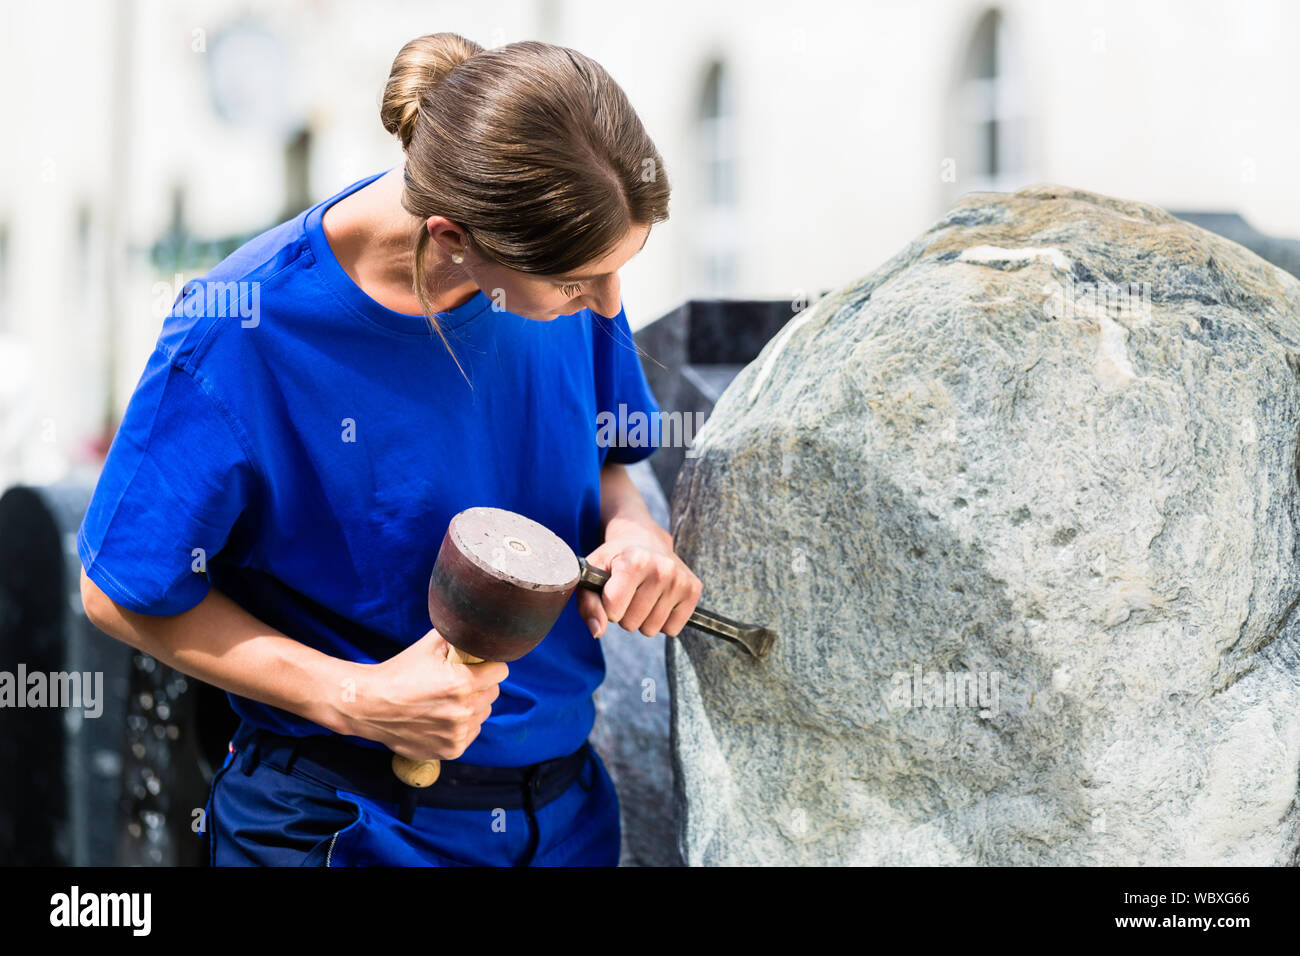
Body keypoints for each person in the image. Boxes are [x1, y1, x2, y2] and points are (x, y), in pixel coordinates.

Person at [77, 33, 702, 867]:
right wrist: (355, 697)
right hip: (343, 826)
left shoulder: (552, 277)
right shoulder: (239, 332)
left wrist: (636, 533)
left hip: (569, 818)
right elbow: (116, 590)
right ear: (452, 237)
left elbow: (607, 453)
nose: (609, 303)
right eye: (579, 283)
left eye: (621, 268)